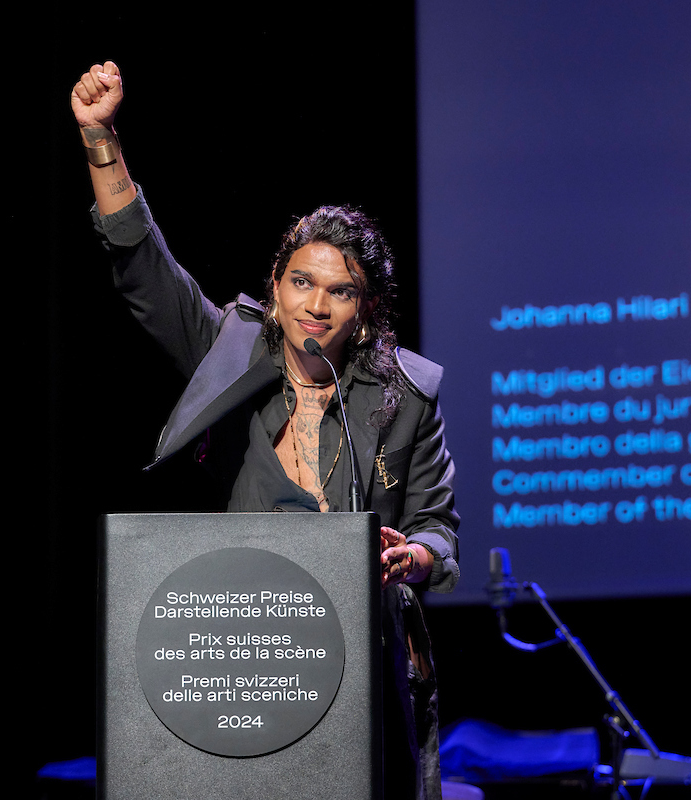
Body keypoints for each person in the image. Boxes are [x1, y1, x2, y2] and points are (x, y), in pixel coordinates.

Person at [72, 61, 460, 799]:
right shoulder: (229, 354)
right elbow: (145, 267)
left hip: (361, 660)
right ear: (276, 289)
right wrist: (101, 140)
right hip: (246, 651)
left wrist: (410, 557)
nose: (316, 305)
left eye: (340, 291)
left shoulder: (407, 396)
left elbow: (437, 528)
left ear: (364, 312)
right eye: (301, 282)